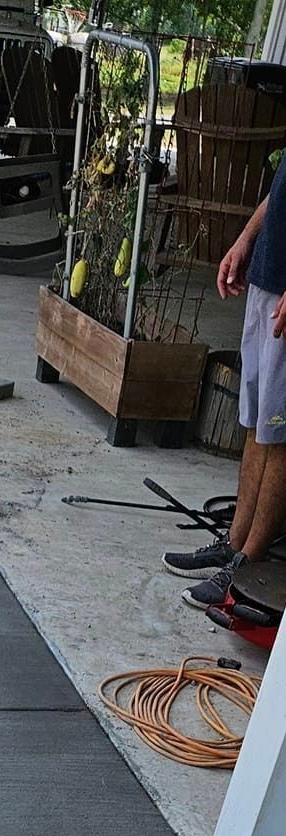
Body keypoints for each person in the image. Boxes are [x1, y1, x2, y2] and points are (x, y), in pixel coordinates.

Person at [162, 157, 286, 611]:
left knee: (280, 432)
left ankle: (248, 568)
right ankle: (235, 544)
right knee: (256, 421)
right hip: (268, 279)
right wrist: (247, 238)